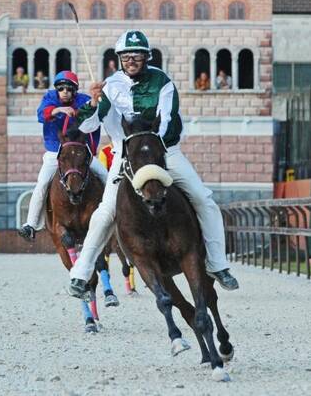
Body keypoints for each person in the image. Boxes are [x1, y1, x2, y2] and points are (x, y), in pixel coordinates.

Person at [66, 30, 239, 299]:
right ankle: (81, 272)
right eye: (126, 56)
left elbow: (168, 120)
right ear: (119, 59)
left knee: (204, 199)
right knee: (105, 212)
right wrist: (92, 101)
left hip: (163, 152)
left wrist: (148, 144)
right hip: (124, 157)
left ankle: (217, 264)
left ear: (146, 57)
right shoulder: (110, 86)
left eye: (136, 56)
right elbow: (88, 125)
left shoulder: (163, 82)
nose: (131, 60)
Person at [17, 70, 109, 241]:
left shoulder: (82, 99)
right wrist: (58, 109)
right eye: (61, 89)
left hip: (81, 151)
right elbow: (41, 114)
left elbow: (93, 114)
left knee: (105, 175)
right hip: (56, 152)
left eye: (68, 89)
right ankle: (30, 225)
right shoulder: (49, 98)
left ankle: (114, 214)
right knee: (43, 182)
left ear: (74, 91)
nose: (65, 92)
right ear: (57, 90)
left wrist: (95, 100)